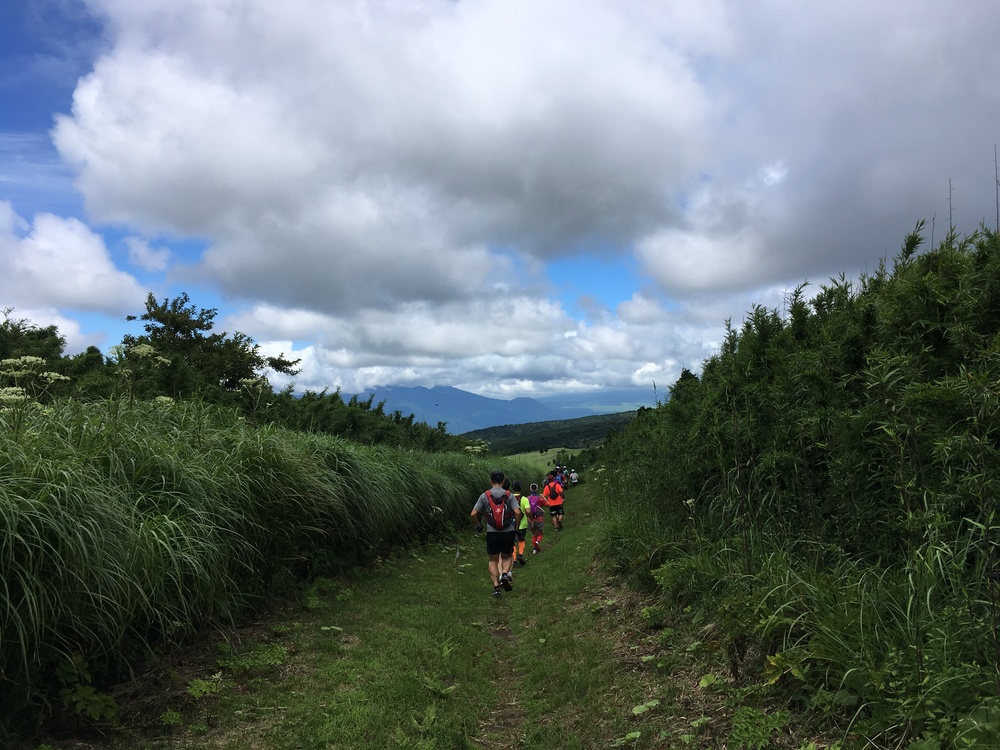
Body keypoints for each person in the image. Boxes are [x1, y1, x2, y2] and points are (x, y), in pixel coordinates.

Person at [471, 470, 522, 598]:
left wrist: (478, 526)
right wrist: (516, 528)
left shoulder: (485, 496)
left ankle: (496, 587)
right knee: (507, 556)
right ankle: (504, 573)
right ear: (503, 481)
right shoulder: (509, 495)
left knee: (493, 561)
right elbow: (517, 512)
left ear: (490, 481)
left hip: (492, 532)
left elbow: (473, 514)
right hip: (508, 531)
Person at [512, 480, 530, 567]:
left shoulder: (509, 498)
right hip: (522, 525)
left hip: (511, 525)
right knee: (521, 540)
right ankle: (520, 554)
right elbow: (527, 510)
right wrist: (529, 517)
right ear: (521, 488)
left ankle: (514, 560)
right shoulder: (524, 499)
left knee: (513, 543)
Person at [526, 482, 548, 553]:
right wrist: (543, 497)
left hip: (531, 519)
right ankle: (537, 542)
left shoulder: (527, 499)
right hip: (539, 519)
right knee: (540, 534)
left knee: (534, 534)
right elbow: (548, 504)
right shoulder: (539, 499)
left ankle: (534, 550)